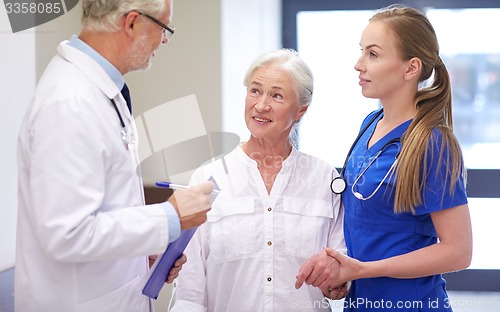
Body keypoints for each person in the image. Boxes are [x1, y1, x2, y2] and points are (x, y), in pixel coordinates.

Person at [15, 0, 214, 311]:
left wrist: (139, 253)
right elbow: (67, 233)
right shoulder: (69, 102)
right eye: (164, 28)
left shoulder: (102, 90)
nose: (164, 40)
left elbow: (102, 208)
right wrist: (169, 217)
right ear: (132, 22)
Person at [295, 4, 473, 311]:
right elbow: (365, 222)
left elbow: (458, 251)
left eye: (372, 54)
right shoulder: (370, 124)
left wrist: (364, 270)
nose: (358, 64)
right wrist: (344, 274)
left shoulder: (432, 143)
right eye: (361, 51)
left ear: (410, 67)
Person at [169, 49, 347, 312]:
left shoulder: (325, 179)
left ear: (300, 110)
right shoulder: (208, 178)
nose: (261, 105)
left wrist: (338, 281)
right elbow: (189, 288)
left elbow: (341, 271)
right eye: (255, 91)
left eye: (276, 95)